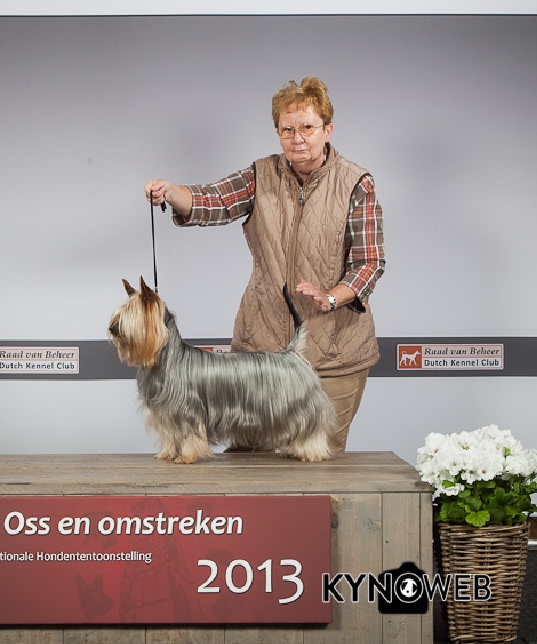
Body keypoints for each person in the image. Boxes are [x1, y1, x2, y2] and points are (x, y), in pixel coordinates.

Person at [145, 77, 385, 453]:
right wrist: (172, 193)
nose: (297, 138)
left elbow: (368, 263)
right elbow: (214, 200)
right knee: (247, 473)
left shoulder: (356, 184)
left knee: (316, 471)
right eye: (287, 130)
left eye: (307, 127)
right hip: (257, 360)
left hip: (333, 357)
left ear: (327, 130)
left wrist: (331, 297)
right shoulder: (260, 176)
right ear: (278, 134)